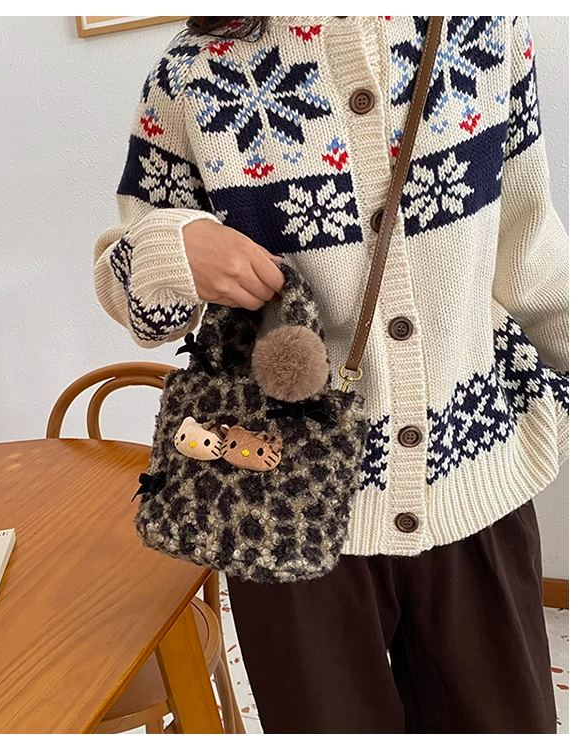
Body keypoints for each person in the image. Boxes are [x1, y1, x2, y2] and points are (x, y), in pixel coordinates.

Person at [93, 16, 568, 733]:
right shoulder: (191, 74)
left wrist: (562, 393)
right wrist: (171, 248)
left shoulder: (484, 25)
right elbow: (139, 300)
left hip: (476, 489)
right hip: (279, 509)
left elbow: (529, 248)